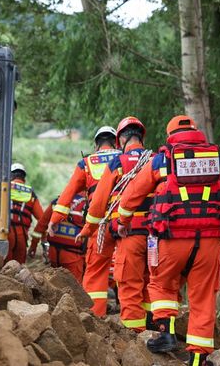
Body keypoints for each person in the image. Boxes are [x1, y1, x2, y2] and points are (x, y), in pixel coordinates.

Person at [116, 115, 220, 366]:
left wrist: (122, 222)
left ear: (169, 136)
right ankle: (198, 359)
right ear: (196, 132)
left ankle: (166, 333)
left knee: (162, 283)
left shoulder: (162, 159)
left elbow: (134, 192)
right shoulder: (218, 157)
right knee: (203, 297)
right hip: (210, 241)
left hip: (171, 238)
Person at [79, 116, 153, 332]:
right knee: (153, 282)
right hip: (158, 235)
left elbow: (98, 203)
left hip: (129, 232)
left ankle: (134, 335)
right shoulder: (156, 160)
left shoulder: (117, 163)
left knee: (129, 283)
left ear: (120, 140)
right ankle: (156, 328)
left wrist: (87, 230)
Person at [48, 126, 121, 316]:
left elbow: (68, 193)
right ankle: (138, 323)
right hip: (126, 223)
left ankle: (95, 317)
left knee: (95, 271)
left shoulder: (87, 163)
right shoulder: (128, 158)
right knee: (131, 269)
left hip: (99, 224)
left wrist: (55, 219)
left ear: (96, 144)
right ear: (115, 141)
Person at [32, 192, 87, 282]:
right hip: (73, 258)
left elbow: (41, 225)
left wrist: (33, 246)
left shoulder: (57, 201)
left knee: (54, 286)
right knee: (75, 290)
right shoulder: (89, 204)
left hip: (53, 255)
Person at [6, 163, 44, 264]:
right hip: (21, 236)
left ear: (10, 176)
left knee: (3, 269)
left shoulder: (4, 188)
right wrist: (38, 242)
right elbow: (42, 219)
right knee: (18, 271)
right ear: (24, 178)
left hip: (5, 233)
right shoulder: (30, 193)